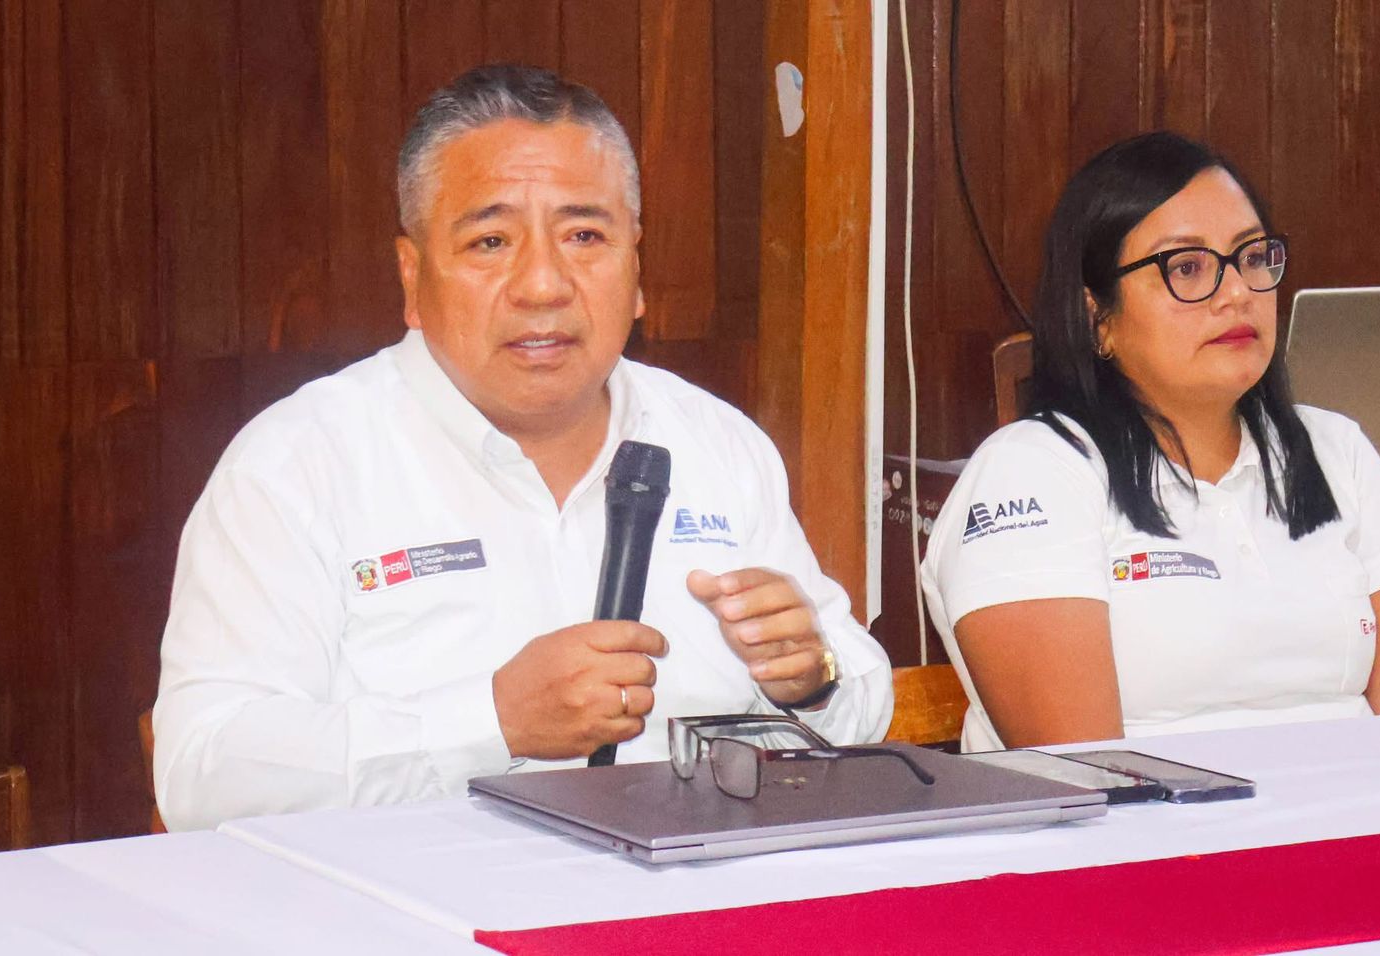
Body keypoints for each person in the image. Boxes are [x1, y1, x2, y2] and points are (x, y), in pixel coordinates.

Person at [152, 64, 892, 831]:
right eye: (491, 241)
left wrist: (809, 679)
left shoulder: (715, 442)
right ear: (411, 277)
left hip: (694, 888)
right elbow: (202, 777)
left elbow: (860, 698)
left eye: (584, 236)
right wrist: (492, 721)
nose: (543, 285)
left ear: (637, 267)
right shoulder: (298, 465)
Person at [921, 131, 1380, 751]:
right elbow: (1088, 775)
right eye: (1186, 268)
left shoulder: (1336, 450)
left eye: (1252, 257)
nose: (1237, 293)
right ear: (1098, 318)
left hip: (1364, 807)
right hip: (1157, 814)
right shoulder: (1033, 472)